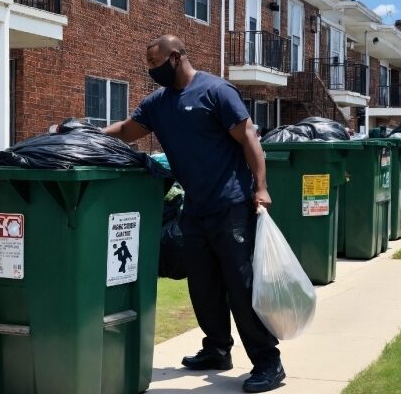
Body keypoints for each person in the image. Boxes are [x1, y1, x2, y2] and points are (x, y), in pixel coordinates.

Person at [103, 34, 284, 393]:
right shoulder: (158, 104)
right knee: (202, 285)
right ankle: (217, 349)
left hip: (231, 205)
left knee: (241, 285)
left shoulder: (216, 92)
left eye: (155, 65)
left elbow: (249, 137)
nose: (151, 72)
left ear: (175, 57)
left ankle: (268, 362)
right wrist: (87, 136)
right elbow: (127, 130)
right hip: (195, 208)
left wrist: (260, 187)